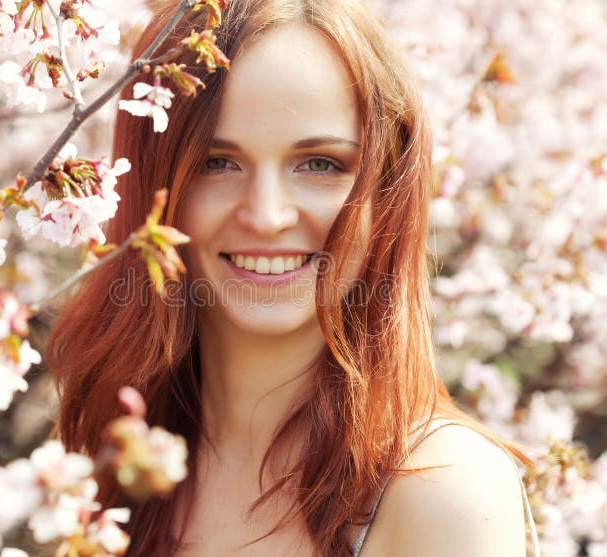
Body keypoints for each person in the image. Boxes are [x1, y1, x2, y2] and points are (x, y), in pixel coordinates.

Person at [47, 0, 542, 555]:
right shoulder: (114, 456)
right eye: (216, 162)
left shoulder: (442, 493)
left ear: (388, 192)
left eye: (320, 165)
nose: (267, 215)